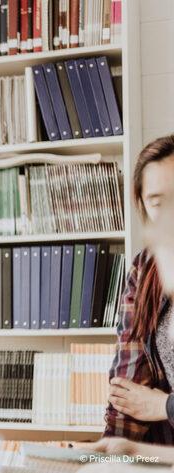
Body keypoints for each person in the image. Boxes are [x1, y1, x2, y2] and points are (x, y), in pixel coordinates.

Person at [104, 134, 174, 444]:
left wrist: (163, 405)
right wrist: (108, 453)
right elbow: (128, 387)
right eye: (158, 202)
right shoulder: (145, 269)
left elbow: (150, 403)